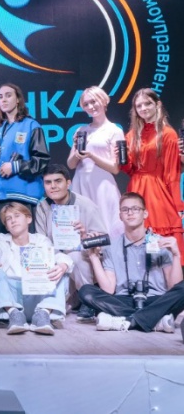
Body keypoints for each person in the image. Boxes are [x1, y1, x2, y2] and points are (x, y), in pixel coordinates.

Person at [80, 192, 184, 333]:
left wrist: (176, 255)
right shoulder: (111, 246)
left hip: (156, 300)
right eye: (125, 210)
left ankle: (128, 321)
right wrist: (93, 257)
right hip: (124, 300)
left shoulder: (161, 243)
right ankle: (155, 321)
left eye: (135, 209)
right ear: (120, 216)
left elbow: (174, 286)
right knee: (86, 291)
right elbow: (108, 289)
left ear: (145, 214)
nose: (130, 213)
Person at [118, 88, 184, 264]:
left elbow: (172, 173)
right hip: (136, 188)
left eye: (147, 103)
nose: (143, 108)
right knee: (137, 241)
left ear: (157, 104)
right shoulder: (131, 135)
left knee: (161, 243)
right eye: (139, 106)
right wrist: (121, 159)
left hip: (158, 191)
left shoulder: (168, 134)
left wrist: (178, 205)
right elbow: (130, 169)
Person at [34, 164, 107, 320]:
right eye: (48, 182)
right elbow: (42, 242)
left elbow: (103, 240)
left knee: (75, 256)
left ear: (68, 183)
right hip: (57, 262)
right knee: (54, 308)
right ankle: (73, 299)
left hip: (83, 261)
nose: (53, 186)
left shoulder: (86, 205)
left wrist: (85, 236)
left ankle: (89, 299)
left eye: (58, 181)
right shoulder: (42, 206)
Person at [0, 202, 72, 336]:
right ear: (6, 226)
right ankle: (15, 316)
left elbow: (59, 256)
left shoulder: (41, 240)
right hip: (11, 300)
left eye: (17, 215)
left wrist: (63, 266)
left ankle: (43, 315)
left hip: (37, 298)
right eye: (8, 219)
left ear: (28, 219)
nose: (13, 220)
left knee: (61, 270)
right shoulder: (1, 240)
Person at [0, 83, 50, 239]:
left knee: (24, 244)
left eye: (8, 95)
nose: (3, 100)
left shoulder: (31, 125)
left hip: (22, 195)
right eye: (0, 97)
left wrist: (15, 166)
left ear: (18, 99)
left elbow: (42, 161)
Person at [67, 86, 125, 238]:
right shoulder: (81, 130)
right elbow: (71, 164)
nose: (90, 106)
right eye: (86, 104)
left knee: (105, 224)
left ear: (103, 101)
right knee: (82, 225)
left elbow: (115, 168)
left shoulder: (114, 130)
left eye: (93, 101)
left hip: (102, 184)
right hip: (80, 182)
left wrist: (92, 156)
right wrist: (77, 154)